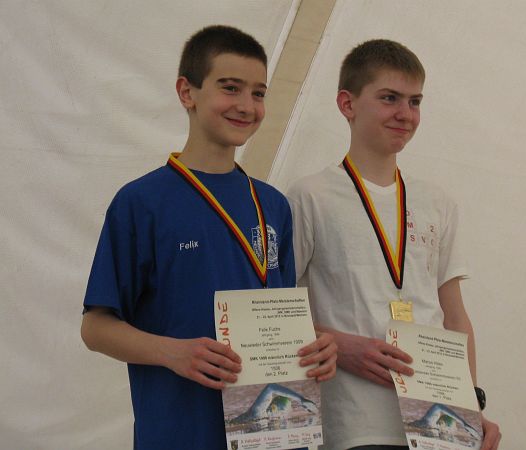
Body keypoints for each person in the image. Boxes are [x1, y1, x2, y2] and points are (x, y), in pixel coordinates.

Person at [81, 25, 336, 449]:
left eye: (258, 93)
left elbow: (280, 317)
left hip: (272, 435)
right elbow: (95, 327)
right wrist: (171, 352)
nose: (247, 106)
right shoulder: (142, 202)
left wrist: (315, 344)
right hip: (180, 433)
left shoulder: (272, 206)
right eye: (230, 88)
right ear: (187, 92)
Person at [286, 39, 501, 450]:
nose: (406, 114)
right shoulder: (310, 196)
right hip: (355, 425)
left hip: (438, 423)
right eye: (390, 98)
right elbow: (275, 310)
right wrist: (341, 345)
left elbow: (454, 315)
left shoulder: (437, 201)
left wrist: (470, 405)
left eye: (415, 101)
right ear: (347, 104)